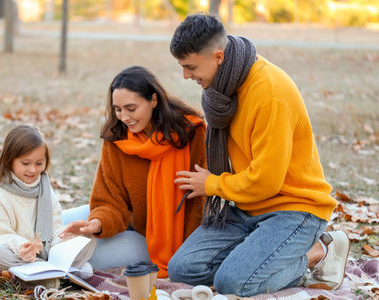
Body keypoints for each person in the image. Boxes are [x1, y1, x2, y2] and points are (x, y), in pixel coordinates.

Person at [167, 13, 350, 297]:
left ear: (218, 57)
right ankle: (258, 255)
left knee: (235, 283)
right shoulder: (221, 89)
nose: (185, 76)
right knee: (183, 269)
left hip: (293, 206)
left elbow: (267, 181)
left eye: (190, 67)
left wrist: (212, 184)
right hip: (245, 205)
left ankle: (318, 253)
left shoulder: (269, 94)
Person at [60, 66, 207, 278]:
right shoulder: (117, 138)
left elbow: (197, 207)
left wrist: (185, 254)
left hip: (156, 239)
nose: (124, 117)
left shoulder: (190, 133)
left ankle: (39, 259)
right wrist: (97, 222)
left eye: (131, 108)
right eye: (118, 109)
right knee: (56, 223)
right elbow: (109, 200)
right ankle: (16, 249)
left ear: (153, 101)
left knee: (81, 253)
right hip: (121, 220)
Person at [0, 125, 64, 288]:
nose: (33, 169)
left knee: (84, 249)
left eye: (39, 163)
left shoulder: (46, 189)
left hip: (44, 256)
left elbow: (55, 229)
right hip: (13, 254)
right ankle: (46, 276)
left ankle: (46, 274)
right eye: (25, 163)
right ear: (10, 160)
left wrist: (64, 240)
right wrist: (21, 247)